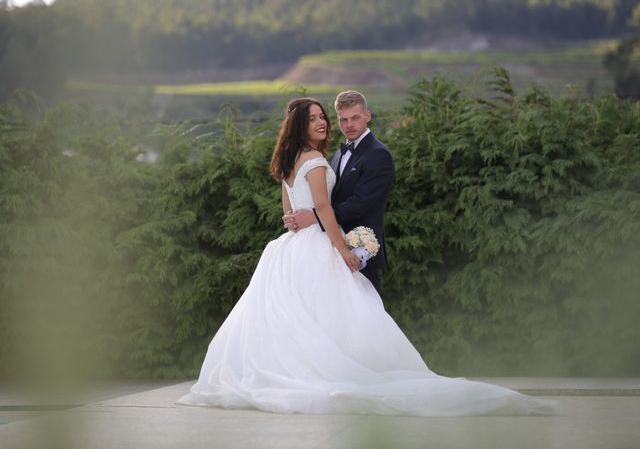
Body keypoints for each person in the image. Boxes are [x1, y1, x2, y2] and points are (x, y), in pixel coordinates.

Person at [177, 97, 556, 416]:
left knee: (317, 317)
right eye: (321, 118)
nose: (328, 123)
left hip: (295, 246)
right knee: (337, 316)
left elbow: (300, 210)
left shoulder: (297, 159)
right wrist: (340, 248)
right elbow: (322, 209)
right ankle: (335, 373)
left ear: (367, 116)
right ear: (299, 125)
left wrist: (302, 220)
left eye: (329, 118)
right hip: (318, 244)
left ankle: (317, 370)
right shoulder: (318, 158)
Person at [283, 90, 393, 292]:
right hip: (328, 246)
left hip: (361, 250)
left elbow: (360, 203)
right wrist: (293, 217)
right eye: (343, 120)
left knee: (363, 313)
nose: (349, 125)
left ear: (367, 116)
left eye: (355, 118)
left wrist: (314, 217)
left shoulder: (378, 155)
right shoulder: (334, 156)